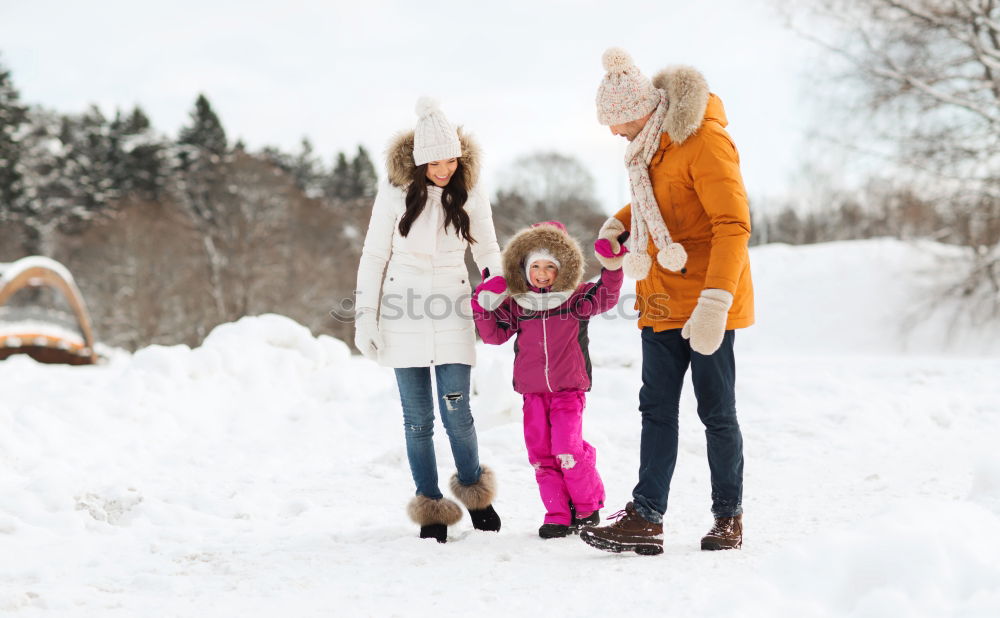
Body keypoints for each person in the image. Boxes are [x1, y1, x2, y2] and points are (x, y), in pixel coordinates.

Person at [579, 48, 755, 556]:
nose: (614, 133)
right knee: (655, 409)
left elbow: (733, 226)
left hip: (704, 301)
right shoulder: (649, 147)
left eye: (618, 121)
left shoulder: (704, 140)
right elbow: (658, 200)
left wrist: (716, 302)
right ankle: (646, 515)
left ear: (645, 108)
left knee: (716, 413)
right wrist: (622, 223)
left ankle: (728, 517)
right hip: (659, 295)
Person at [354, 98, 505, 543]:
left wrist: (495, 285)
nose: (444, 169)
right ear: (419, 160)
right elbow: (374, 256)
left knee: (457, 413)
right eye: (435, 161)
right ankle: (431, 505)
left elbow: (487, 249)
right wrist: (366, 317)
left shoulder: (471, 191)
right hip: (402, 310)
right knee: (417, 419)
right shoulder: (393, 193)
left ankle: (477, 495)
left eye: (451, 160)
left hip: (453, 307)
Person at [472, 221, 623, 539]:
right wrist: (482, 306)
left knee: (567, 448)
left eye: (549, 267)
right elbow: (494, 336)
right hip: (532, 393)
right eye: (535, 266)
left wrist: (612, 268)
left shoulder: (575, 299)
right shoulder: (519, 303)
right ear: (525, 269)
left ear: (562, 268)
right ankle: (557, 512)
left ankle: (587, 506)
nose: (542, 273)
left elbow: (607, 297)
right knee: (542, 454)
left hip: (568, 389)